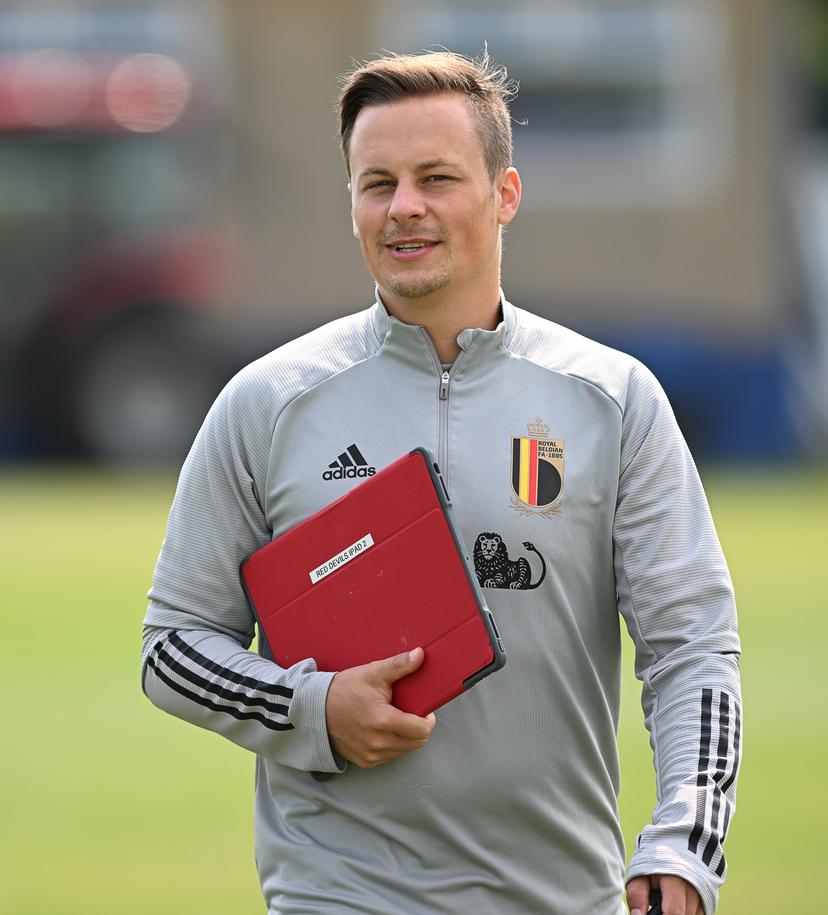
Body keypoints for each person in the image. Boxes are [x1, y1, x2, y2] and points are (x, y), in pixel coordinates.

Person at [141, 50, 741, 915]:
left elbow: (693, 648)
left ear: (505, 194)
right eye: (376, 182)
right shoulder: (267, 402)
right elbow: (173, 645)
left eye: (436, 177)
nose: (404, 207)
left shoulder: (612, 401)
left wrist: (686, 847)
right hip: (337, 895)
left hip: (561, 897)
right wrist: (309, 707)